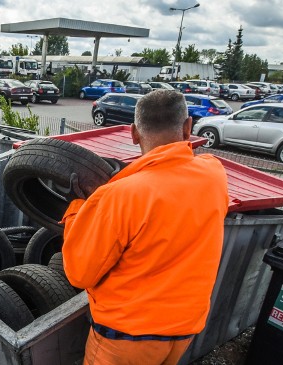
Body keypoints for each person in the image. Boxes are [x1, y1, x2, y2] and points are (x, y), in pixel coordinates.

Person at [61, 89, 229, 365]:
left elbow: (79, 274)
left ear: (133, 133)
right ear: (188, 127)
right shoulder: (214, 174)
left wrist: (77, 209)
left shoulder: (119, 196)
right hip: (183, 331)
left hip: (127, 338)